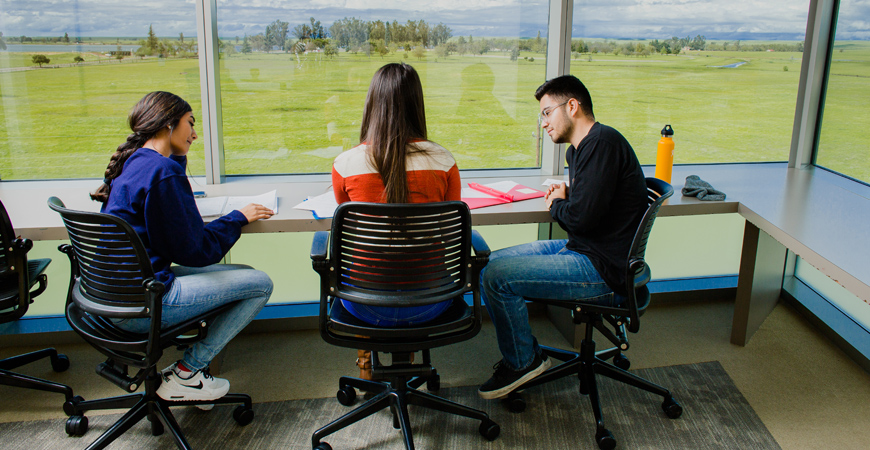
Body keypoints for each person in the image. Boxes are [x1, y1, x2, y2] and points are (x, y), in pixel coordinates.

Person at [91, 91, 275, 404]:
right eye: (189, 124)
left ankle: (191, 376)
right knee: (260, 284)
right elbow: (196, 252)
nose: (195, 133)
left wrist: (178, 157)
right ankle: (188, 372)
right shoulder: (163, 173)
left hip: (110, 295)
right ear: (167, 125)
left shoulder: (137, 161)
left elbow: (176, 242)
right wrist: (238, 218)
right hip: (143, 304)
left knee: (243, 274)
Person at [477, 75, 648, 400]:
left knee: (497, 277)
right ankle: (527, 352)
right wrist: (571, 193)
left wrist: (557, 202)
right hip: (586, 251)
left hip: (601, 269)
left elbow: (580, 220)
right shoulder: (583, 150)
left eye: (546, 112)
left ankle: (523, 361)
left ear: (572, 106)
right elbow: (592, 204)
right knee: (490, 264)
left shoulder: (601, 144)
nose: (543, 123)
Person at [331, 62, 461, 379]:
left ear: (372, 104)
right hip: (432, 302)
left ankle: (368, 363)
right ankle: (411, 356)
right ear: (418, 104)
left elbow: (347, 222)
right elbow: (449, 225)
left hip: (364, 303)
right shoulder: (444, 161)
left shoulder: (345, 164)